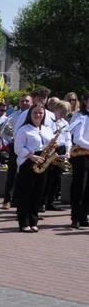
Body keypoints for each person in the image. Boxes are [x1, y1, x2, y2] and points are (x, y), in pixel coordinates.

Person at [13, 104, 54, 233]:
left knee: (38, 193)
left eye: (40, 113)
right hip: (28, 162)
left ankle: (33, 221)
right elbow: (18, 148)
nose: (38, 115)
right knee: (25, 194)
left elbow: (49, 145)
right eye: (35, 113)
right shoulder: (24, 129)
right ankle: (23, 222)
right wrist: (32, 156)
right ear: (30, 114)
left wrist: (53, 148)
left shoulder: (47, 129)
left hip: (43, 161)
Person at [2, 94, 34, 209]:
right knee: (12, 173)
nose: (24, 103)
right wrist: (10, 141)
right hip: (15, 148)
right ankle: (7, 199)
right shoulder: (13, 116)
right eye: (22, 101)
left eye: (27, 101)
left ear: (31, 102)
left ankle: (19, 199)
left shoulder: (34, 115)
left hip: (30, 149)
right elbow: (4, 132)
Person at [42, 101, 71, 212]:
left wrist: (68, 151)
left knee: (56, 177)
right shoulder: (49, 122)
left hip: (61, 149)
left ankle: (51, 201)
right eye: (62, 110)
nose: (63, 113)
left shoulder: (65, 123)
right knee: (47, 176)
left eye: (65, 111)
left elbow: (68, 138)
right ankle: (42, 201)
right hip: (51, 149)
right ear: (56, 109)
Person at [69, 91, 89, 229]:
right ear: (85, 101)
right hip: (81, 155)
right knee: (79, 187)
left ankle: (84, 216)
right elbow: (77, 138)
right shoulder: (79, 116)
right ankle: (75, 217)